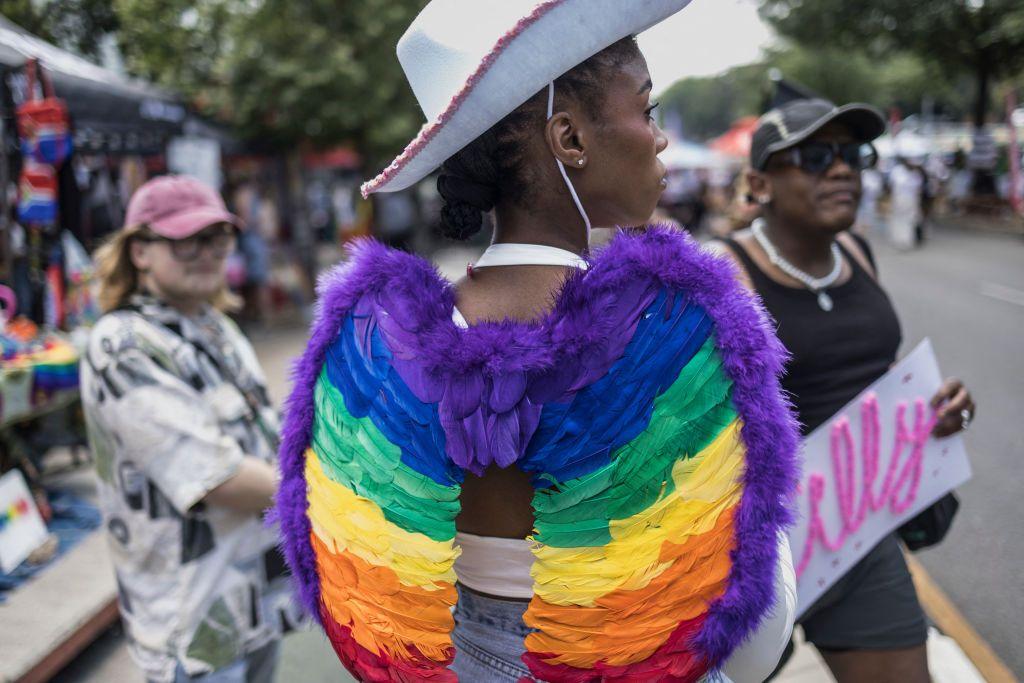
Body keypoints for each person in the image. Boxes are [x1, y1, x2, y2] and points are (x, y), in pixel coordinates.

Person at [275, 2, 800, 682]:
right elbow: (746, 604)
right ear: (570, 138)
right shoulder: (682, 325)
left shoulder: (370, 346)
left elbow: (343, 562)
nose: (661, 139)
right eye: (647, 110)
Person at [713, 99, 977, 683]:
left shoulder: (856, 250)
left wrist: (930, 408)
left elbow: (868, 374)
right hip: (750, 557)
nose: (841, 171)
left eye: (852, 155)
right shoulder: (726, 273)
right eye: (814, 157)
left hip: (855, 539)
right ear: (759, 182)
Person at [81, 176, 301, 683]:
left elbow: (264, 435)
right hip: (194, 620)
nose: (206, 254)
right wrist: (346, 490)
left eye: (217, 239)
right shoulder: (122, 345)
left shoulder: (216, 326)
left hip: (256, 600)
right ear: (139, 251)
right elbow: (216, 478)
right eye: (186, 240)